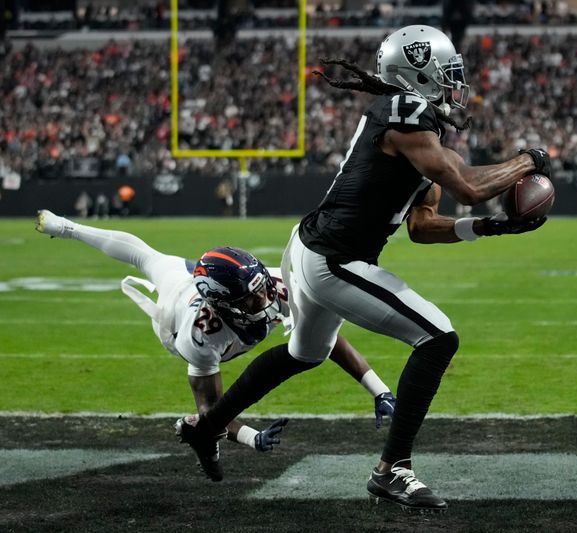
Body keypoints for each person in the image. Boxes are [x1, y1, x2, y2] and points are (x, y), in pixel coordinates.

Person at [175, 25, 550, 511]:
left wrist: (489, 228)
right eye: (448, 74)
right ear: (419, 74)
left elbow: (423, 225)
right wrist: (529, 160)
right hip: (333, 259)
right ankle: (393, 469)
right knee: (439, 338)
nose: (457, 85)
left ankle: (206, 429)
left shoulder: (419, 126)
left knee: (304, 353)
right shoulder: (406, 113)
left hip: (312, 249)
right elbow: (469, 186)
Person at [34, 209, 397, 481]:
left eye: (262, 287)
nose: (266, 297)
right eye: (253, 298)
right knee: (208, 429)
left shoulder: (270, 284)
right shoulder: (201, 335)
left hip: (202, 288)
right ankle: (67, 227)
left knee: (146, 255)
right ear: (228, 306)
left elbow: (326, 340)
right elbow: (213, 408)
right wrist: (252, 437)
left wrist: (378, 390)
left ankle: (63, 225)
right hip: (174, 315)